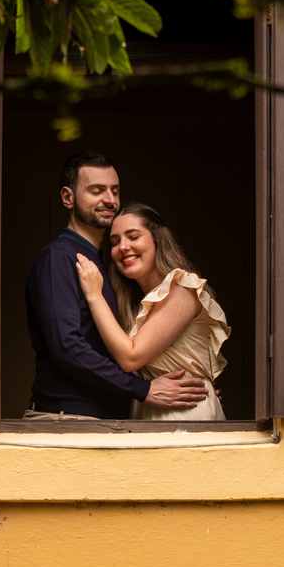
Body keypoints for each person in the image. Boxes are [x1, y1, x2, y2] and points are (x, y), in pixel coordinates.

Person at [24, 152, 209, 420]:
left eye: (114, 191)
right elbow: (66, 346)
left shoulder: (106, 267)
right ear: (68, 198)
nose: (110, 200)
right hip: (66, 418)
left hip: (107, 420)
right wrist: (143, 389)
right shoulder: (60, 257)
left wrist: (196, 383)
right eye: (97, 191)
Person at [74, 201, 229, 421]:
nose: (123, 246)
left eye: (133, 236)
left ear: (157, 240)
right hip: (149, 410)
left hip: (183, 413)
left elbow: (130, 357)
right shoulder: (136, 304)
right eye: (115, 242)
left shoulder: (182, 288)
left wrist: (94, 295)